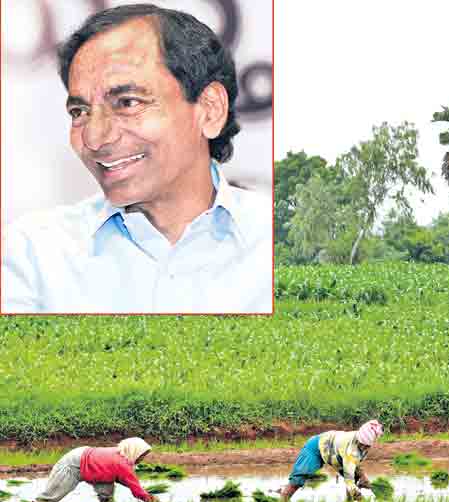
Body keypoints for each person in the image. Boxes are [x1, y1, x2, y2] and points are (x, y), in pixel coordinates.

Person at [1, 4, 271, 314]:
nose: (94, 137)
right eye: (79, 112)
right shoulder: (34, 255)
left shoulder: (280, 244)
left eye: (127, 103)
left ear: (210, 109)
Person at [27, 437, 166, 502]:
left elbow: (127, 482)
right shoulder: (122, 464)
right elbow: (137, 491)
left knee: (106, 492)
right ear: (134, 451)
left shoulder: (122, 455)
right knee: (52, 495)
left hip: (93, 465)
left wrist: (141, 491)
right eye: (142, 455)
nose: (142, 459)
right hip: (74, 464)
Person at [281, 420, 383, 502]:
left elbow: (355, 465)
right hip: (316, 448)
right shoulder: (351, 450)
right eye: (362, 444)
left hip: (335, 454)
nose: (364, 447)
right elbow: (349, 479)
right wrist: (361, 500)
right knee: (298, 480)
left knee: (356, 477)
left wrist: (362, 477)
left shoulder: (362, 445)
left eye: (366, 445)